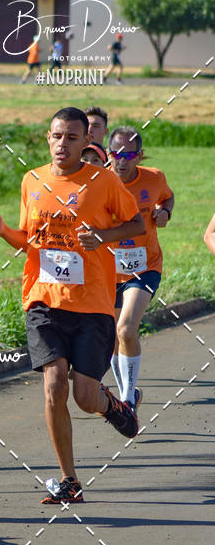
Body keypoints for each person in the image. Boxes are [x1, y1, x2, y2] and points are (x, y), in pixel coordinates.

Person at [0, 106, 144, 505]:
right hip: (43, 300)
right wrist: (4, 231)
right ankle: (69, 481)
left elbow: (137, 225)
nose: (62, 144)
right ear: (47, 137)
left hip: (92, 305)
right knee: (53, 384)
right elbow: (29, 240)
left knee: (84, 398)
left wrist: (104, 237)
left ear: (87, 141)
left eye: (72, 137)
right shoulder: (32, 180)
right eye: (56, 136)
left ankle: (113, 405)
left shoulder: (103, 182)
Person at [108, 125, 174, 411]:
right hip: (107, 270)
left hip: (145, 267)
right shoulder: (99, 183)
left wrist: (165, 212)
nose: (122, 161)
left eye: (129, 154)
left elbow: (167, 196)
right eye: (116, 154)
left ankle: (126, 399)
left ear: (140, 156)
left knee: (125, 330)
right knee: (110, 337)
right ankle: (129, 394)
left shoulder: (154, 178)